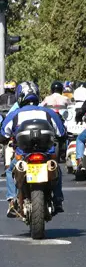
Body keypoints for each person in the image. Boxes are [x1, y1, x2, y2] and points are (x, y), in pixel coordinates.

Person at [2, 82, 66, 217]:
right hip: (47, 155)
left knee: (9, 171)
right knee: (57, 170)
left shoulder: (14, 114)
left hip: (22, 155)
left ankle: (13, 201)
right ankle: (58, 199)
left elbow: (3, 134)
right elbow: (61, 133)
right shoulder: (48, 112)